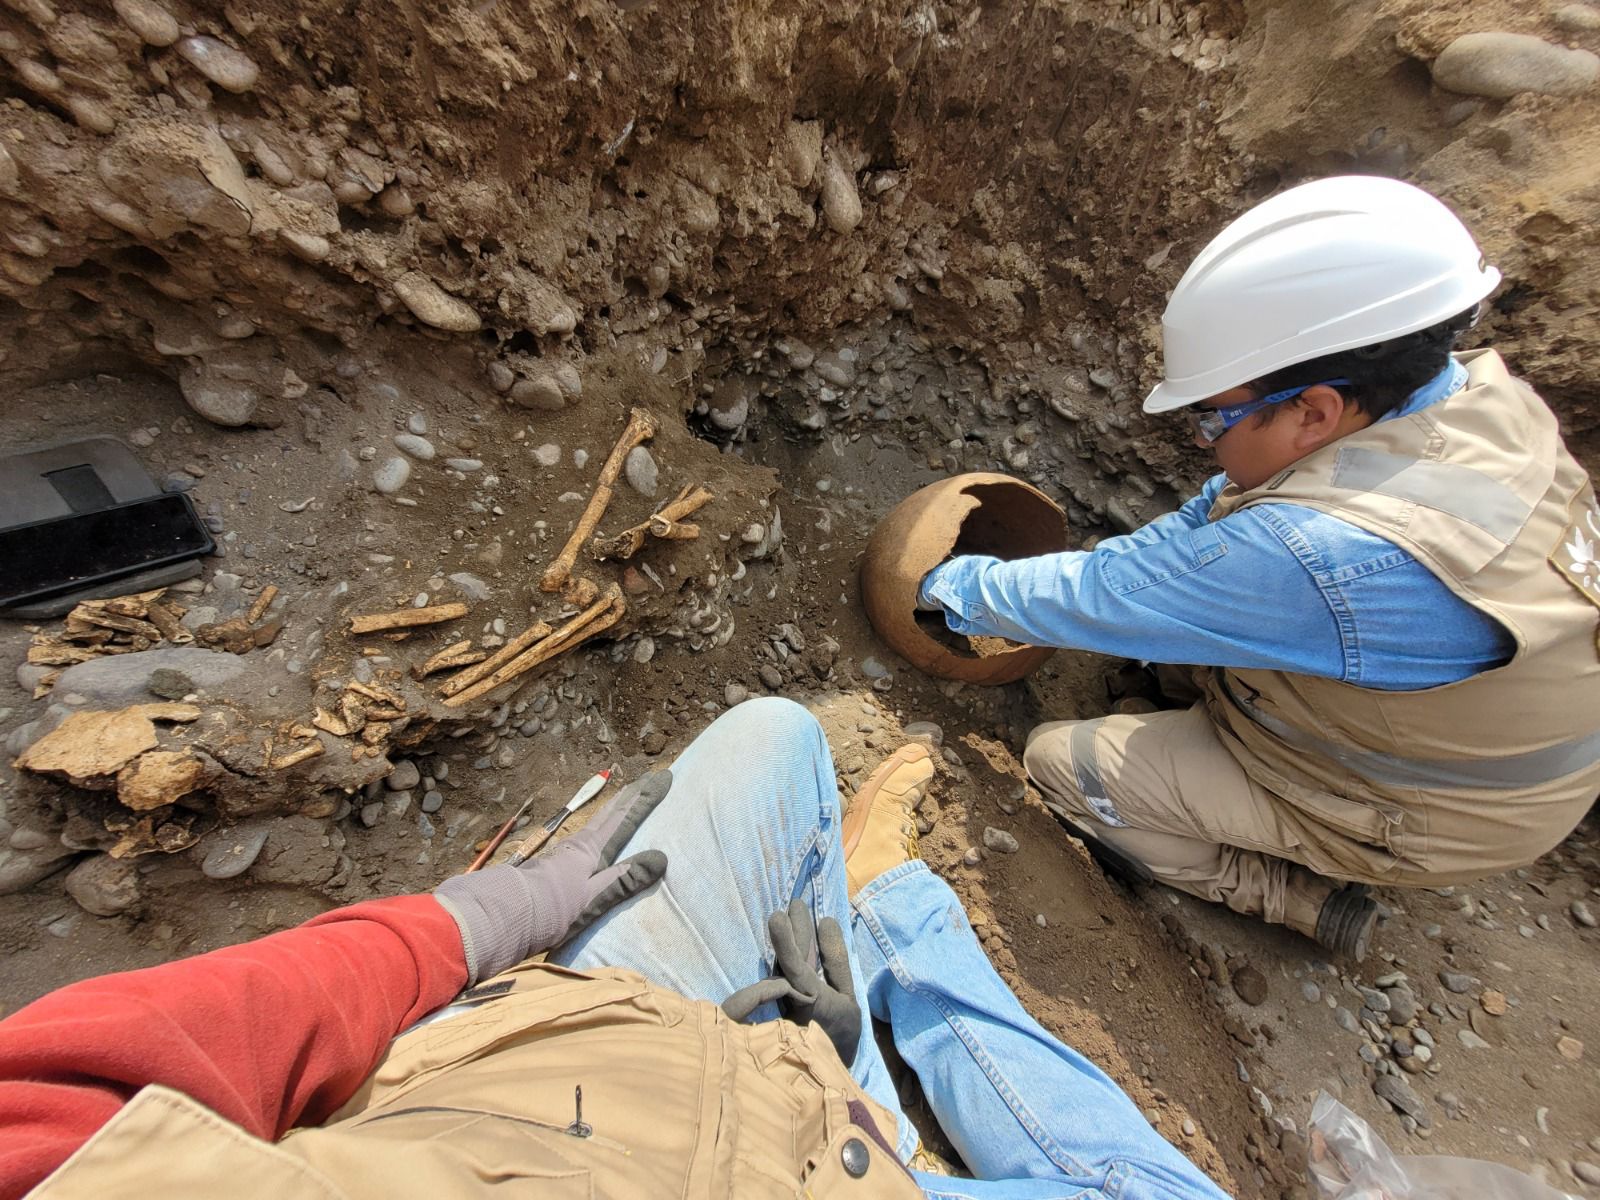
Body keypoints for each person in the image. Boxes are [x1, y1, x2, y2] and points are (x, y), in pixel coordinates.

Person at [0, 698, 1231, 1200]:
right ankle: (894, 917)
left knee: (776, 740)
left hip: (572, 1057)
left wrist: (483, 916)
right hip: (835, 1174)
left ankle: (865, 968)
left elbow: (158, 1049)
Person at [917, 175, 1600, 961]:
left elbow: (1110, 593)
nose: (1206, 437)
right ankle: (1223, 732)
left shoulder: (1335, 555)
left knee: (1061, 766)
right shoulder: (1468, 397)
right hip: (1487, 750)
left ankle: (1289, 890)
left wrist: (948, 587)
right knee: (1180, 645)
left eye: (1215, 415)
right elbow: (1212, 522)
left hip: (1438, 808)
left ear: (1314, 412)